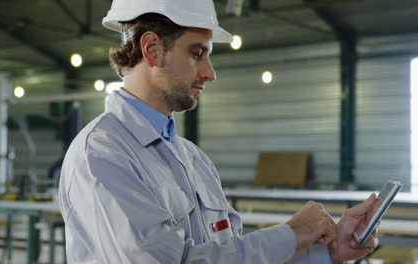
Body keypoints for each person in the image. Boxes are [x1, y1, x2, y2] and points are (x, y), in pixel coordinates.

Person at [58, 0, 381, 263]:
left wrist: (327, 251)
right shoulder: (102, 153)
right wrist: (290, 234)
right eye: (197, 53)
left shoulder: (192, 159)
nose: (210, 73)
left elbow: (230, 256)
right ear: (152, 48)